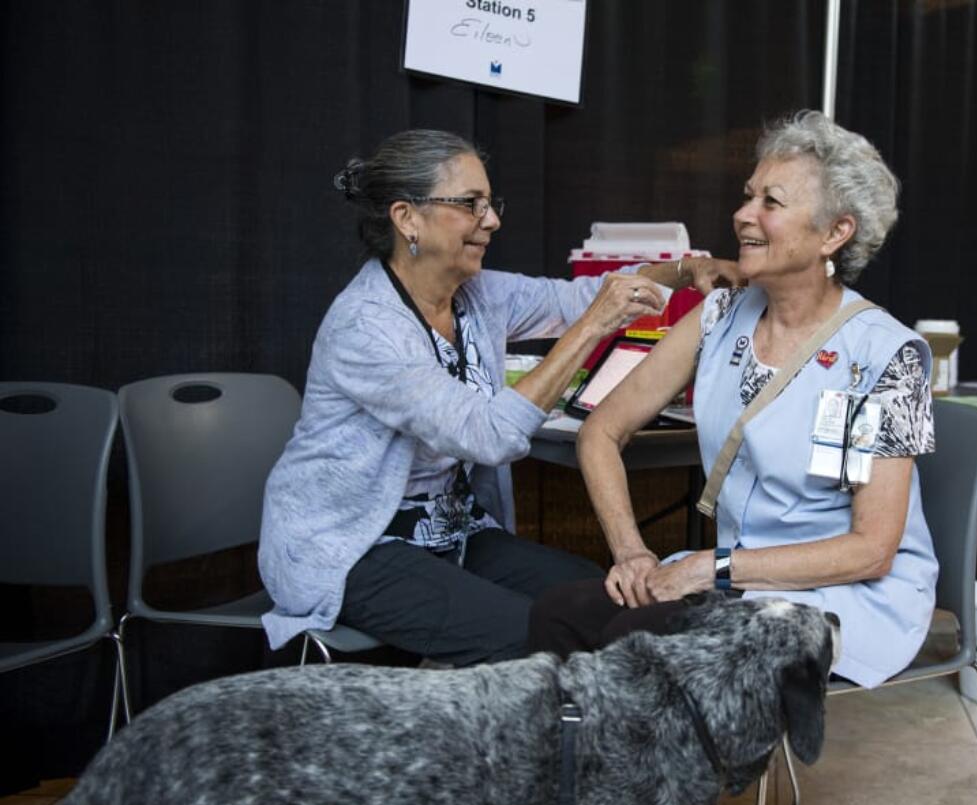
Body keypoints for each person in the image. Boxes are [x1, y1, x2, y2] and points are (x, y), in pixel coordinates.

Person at [258, 129, 740, 666]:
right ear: (407, 218)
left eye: (490, 204)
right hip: (352, 549)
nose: (492, 220)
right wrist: (591, 327)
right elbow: (489, 434)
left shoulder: (477, 294)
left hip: (451, 535)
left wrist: (684, 270)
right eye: (470, 205)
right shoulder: (365, 327)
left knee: (598, 599)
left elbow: (582, 295)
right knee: (530, 637)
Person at [530, 110, 939, 694]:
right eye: (748, 196)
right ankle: (590, 780)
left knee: (642, 640)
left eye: (770, 202)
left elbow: (871, 551)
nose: (743, 215)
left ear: (834, 233)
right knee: (559, 616)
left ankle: (647, 783)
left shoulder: (882, 356)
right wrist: (633, 554)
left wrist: (714, 569)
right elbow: (602, 431)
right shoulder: (720, 317)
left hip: (844, 595)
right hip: (736, 579)